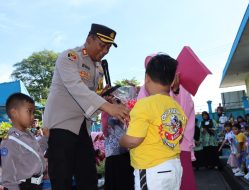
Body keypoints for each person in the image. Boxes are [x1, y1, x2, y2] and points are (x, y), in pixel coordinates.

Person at [43, 23, 130, 190]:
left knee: (88, 178)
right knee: (62, 180)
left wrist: (106, 98)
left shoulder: (98, 68)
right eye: (102, 45)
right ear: (89, 40)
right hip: (62, 125)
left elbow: (91, 98)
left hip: (83, 128)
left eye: (109, 48)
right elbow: (76, 87)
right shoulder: (70, 57)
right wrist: (107, 107)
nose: (105, 51)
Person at [120, 54, 187, 190]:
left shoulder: (144, 104)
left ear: (147, 78)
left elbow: (133, 140)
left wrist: (122, 140)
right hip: (174, 167)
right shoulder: (177, 108)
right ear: (173, 81)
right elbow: (174, 136)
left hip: (152, 169)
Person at [137, 53, 197, 190]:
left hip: (171, 150)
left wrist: (175, 91)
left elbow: (180, 117)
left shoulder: (182, 91)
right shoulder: (144, 91)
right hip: (160, 152)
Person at [0, 93, 49, 190]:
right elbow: (9, 178)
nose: (32, 116)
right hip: (24, 186)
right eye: (29, 111)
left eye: (33, 112)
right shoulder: (10, 142)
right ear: (14, 113)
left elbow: (36, 152)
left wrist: (45, 138)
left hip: (38, 185)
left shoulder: (28, 134)